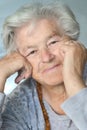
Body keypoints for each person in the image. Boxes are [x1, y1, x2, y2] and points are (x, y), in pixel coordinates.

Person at [0, 1, 87, 130]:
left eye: (53, 42)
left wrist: (73, 77)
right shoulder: (20, 102)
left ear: (72, 39)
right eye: (32, 52)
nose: (46, 57)